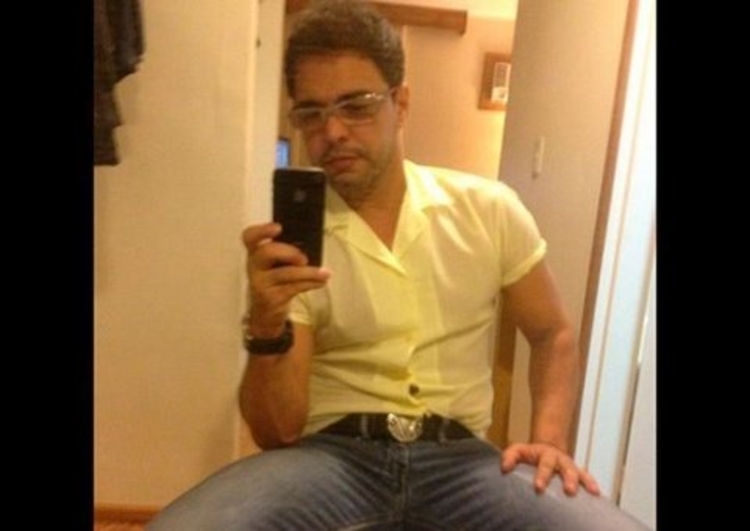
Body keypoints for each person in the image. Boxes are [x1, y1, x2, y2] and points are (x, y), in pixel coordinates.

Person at [148, 1, 650, 529]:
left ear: (401, 103)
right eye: (311, 113)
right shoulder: (294, 248)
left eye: (356, 106)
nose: (332, 131)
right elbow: (279, 432)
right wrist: (266, 326)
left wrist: (549, 438)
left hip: (466, 465)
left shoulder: (487, 209)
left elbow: (552, 333)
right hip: (331, 461)